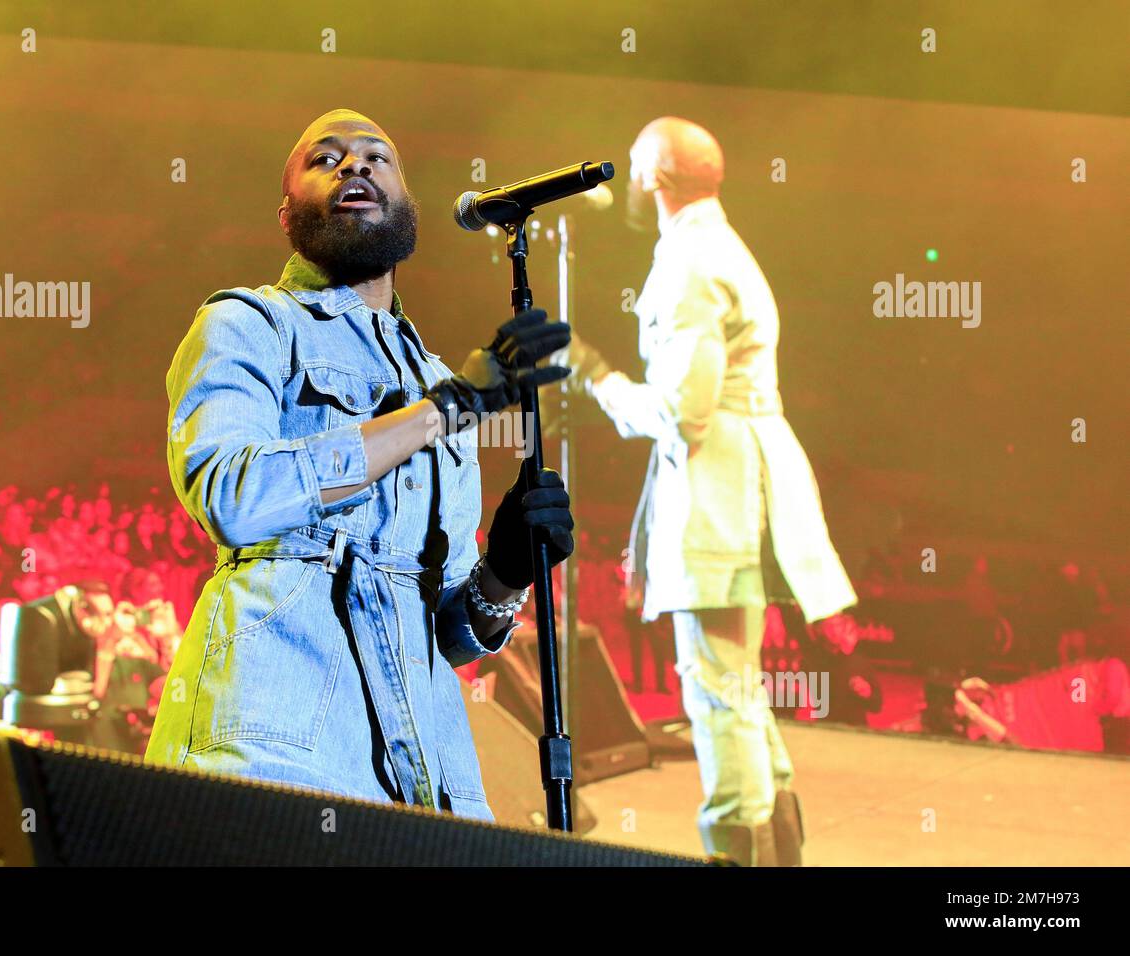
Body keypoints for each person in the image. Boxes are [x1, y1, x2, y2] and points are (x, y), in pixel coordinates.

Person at [145, 109, 574, 820]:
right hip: (279, 745)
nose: (355, 166)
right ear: (288, 216)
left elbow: (442, 630)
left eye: (378, 157)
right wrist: (445, 410)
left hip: (427, 774)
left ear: (406, 207)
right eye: (326, 158)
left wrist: (505, 571)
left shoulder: (439, 377)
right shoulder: (248, 324)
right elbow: (232, 496)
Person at [563, 117, 857, 865]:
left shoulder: (690, 262)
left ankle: (739, 852)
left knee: (716, 690)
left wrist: (596, 375)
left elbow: (679, 412)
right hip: (747, 476)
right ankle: (777, 851)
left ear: (656, 179)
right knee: (739, 687)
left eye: (633, 167)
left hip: (719, 491)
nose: (626, 181)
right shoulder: (719, 246)